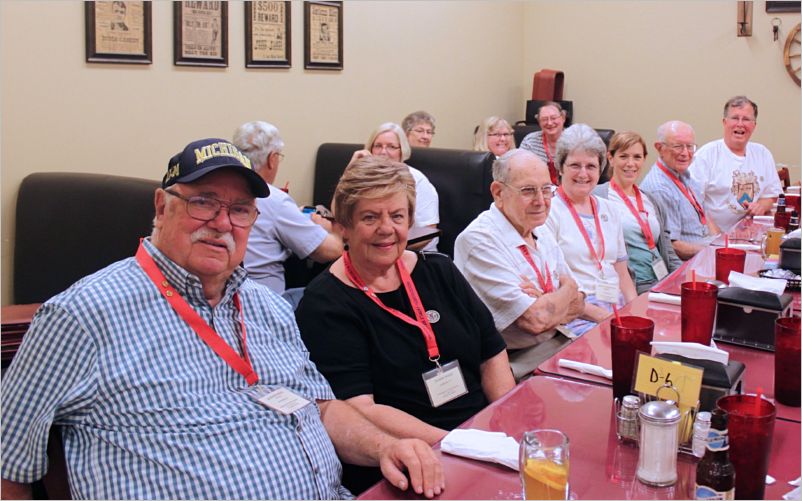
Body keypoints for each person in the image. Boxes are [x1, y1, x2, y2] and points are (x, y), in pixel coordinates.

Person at [0, 138, 444, 500]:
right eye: (203, 203)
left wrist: (388, 447)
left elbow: (322, 409)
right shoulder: (82, 316)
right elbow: (7, 460)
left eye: (240, 210)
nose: (221, 223)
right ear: (161, 206)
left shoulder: (267, 307)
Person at [296, 156, 515, 491]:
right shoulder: (326, 303)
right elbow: (360, 408)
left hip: (482, 441)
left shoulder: (439, 270)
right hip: (409, 462)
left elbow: (492, 353)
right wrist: (457, 445)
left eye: (397, 216)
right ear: (344, 226)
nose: (387, 229)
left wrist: (504, 424)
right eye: (370, 217)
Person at [454, 149, 586, 379]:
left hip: (558, 342)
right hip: (515, 363)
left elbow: (578, 303)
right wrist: (567, 290)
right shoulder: (479, 240)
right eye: (528, 191)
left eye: (546, 189)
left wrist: (548, 301)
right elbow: (535, 320)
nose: (541, 201)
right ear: (498, 192)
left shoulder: (539, 229)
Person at [233, 121, 342, 300]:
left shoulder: (222, 193)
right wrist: (335, 231)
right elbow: (330, 252)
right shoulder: (273, 199)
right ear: (272, 158)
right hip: (266, 305)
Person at [545, 124, 638, 330]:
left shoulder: (610, 210)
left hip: (615, 304)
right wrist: (604, 317)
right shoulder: (549, 212)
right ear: (560, 167)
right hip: (578, 313)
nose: (583, 173)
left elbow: (621, 271)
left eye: (591, 166)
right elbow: (552, 284)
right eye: (575, 165)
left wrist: (634, 310)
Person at [593, 131, 682, 294]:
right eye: (624, 156)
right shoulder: (598, 197)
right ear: (610, 158)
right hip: (630, 286)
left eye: (637, 157)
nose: (630, 163)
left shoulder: (652, 200)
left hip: (661, 281)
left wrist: (683, 279)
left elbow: (668, 250)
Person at [690, 96, 783, 232]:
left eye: (746, 119)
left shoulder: (762, 153)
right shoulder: (706, 156)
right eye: (735, 118)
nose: (740, 124)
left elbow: (771, 195)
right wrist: (717, 237)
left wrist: (760, 206)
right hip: (713, 235)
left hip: (750, 233)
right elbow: (693, 203)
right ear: (724, 122)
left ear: (754, 125)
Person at [350, 122, 440, 251]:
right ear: (370, 150)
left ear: (402, 151)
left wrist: (388, 248)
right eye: (378, 146)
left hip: (414, 253)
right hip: (371, 249)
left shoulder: (417, 180)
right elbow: (339, 215)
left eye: (391, 147)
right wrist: (350, 170)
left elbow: (428, 232)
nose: (383, 152)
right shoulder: (364, 178)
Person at [640, 121, 720, 260]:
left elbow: (706, 218)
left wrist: (719, 243)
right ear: (659, 148)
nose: (685, 153)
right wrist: (713, 252)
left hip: (704, 254)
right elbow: (673, 246)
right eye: (677, 146)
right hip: (686, 264)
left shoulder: (685, 174)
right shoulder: (660, 188)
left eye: (690, 146)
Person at [519, 101, 568, 185]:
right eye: (544, 119)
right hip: (537, 189)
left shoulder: (575, 140)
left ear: (563, 118)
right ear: (539, 122)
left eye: (553, 118)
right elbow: (520, 169)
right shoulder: (530, 141)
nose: (549, 123)